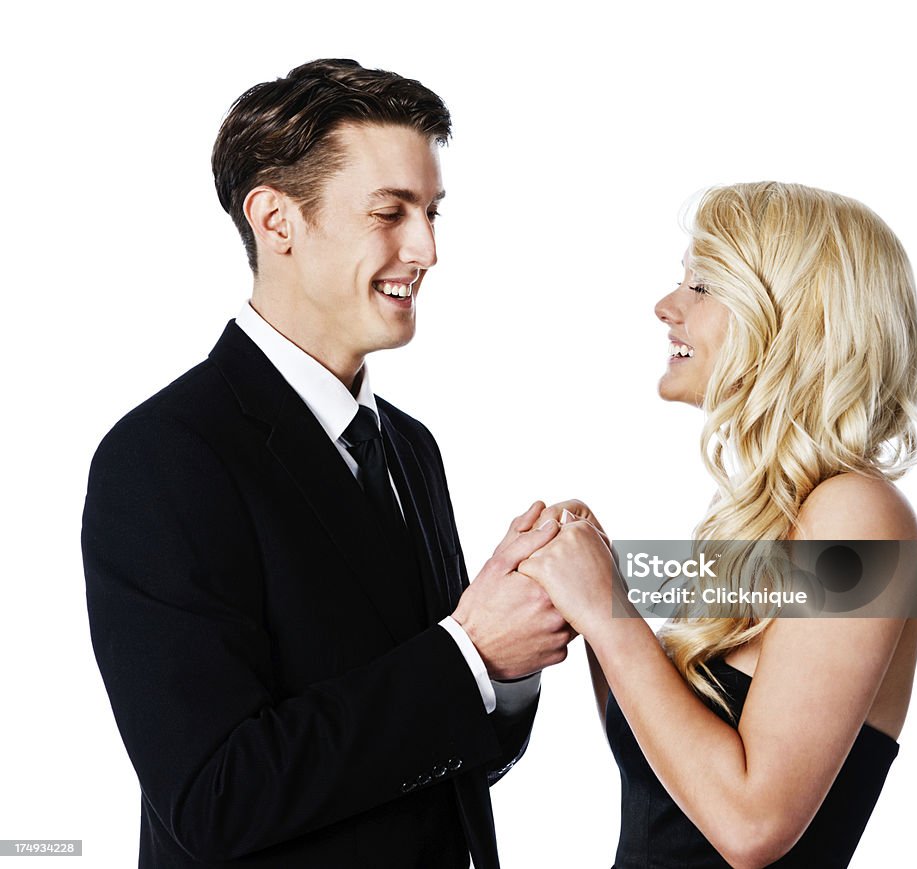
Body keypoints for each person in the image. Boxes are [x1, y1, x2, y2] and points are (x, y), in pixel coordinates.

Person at [81, 59, 573, 869]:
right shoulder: (163, 458)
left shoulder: (410, 448)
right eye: (392, 211)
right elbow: (214, 797)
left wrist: (511, 662)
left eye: (433, 211)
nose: (428, 248)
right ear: (276, 219)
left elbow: (452, 762)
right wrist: (470, 650)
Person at [519, 182, 917, 868]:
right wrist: (598, 596)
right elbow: (671, 794)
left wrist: (610, 619)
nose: (666, 306)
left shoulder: (859, 516)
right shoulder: (782, 521)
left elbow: (749, 824)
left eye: (704, 284)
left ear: (795, 317)